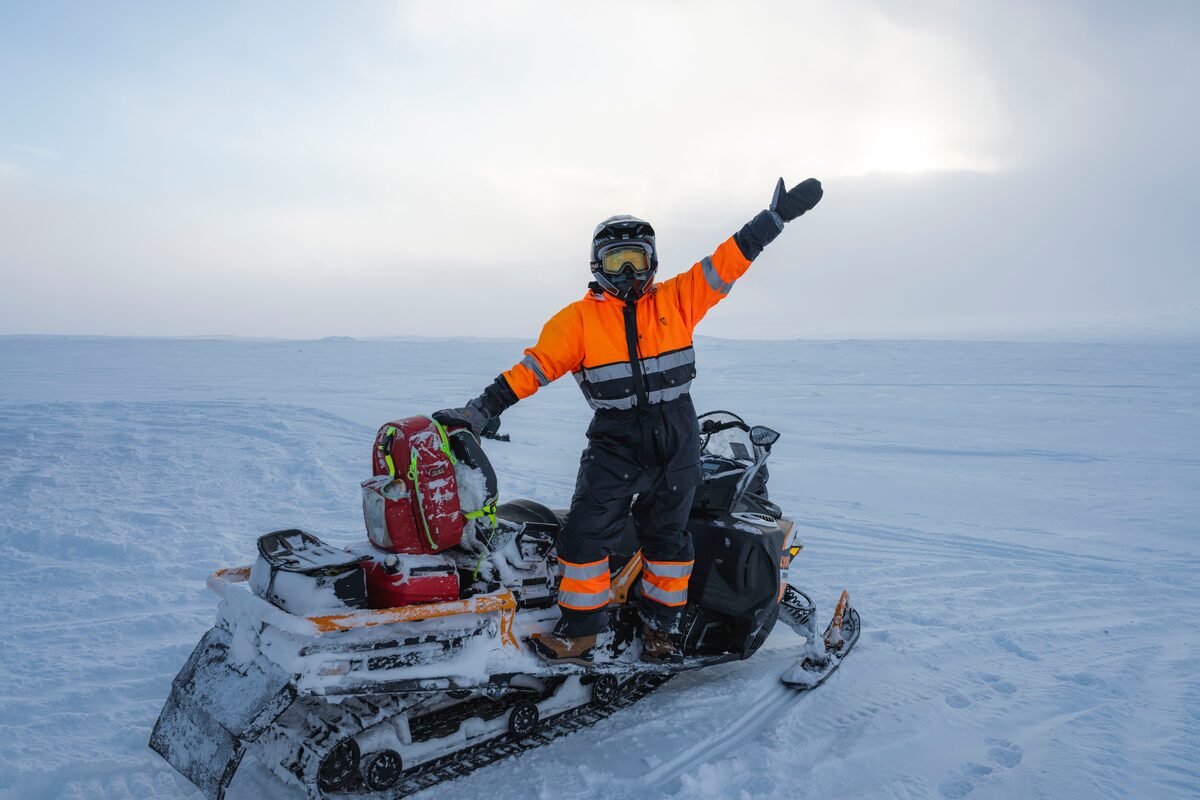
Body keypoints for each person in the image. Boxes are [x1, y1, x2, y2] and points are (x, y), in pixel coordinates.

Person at [434, 177, 824, 664]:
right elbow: (531, 370)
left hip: (677, 436)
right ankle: (580, 634)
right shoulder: (577, 320)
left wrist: (773, 220)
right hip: (616, 439)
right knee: (583, 535)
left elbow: (731, 258)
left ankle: (661, 633)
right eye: (616, 260)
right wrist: (479, 411)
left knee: (668, 540)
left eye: (635, 259)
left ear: (651, 261)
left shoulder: (679, 299)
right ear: (597, 266)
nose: (626, 271)